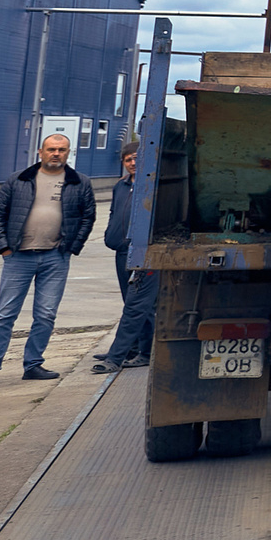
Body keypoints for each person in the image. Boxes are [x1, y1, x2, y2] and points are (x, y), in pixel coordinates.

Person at [0, 132, 98, 389]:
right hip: (19, 257)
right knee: (4, 315)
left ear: (68, 153)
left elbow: (88, 217)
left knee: (46, 314)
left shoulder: (80, 182)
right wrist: (3, 247)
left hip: (55, 257)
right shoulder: (19, 179)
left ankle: (33, 365)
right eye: (51, 149)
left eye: (61, 150)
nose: (56, 153)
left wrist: (72, 247)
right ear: (40, 152)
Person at [95, 136, 156, 373]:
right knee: (129, 302)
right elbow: (113, 213)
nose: (132, 163)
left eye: (136, 159)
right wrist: (111, 235)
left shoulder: (150, 184)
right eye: (128, 159)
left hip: (142, 253)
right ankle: (134, 348)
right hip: (122, 251)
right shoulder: (120, 186)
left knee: (137, 304)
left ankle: (129, 354)